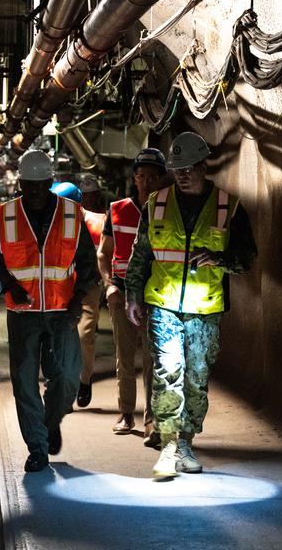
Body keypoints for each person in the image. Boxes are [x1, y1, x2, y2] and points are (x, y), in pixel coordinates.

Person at [125, 132, 257, 480]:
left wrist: (219, 259)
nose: (183, 174)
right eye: (177, 168)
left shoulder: (229, 206)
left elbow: (246, 259)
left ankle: (187, 440)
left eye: (189, 167)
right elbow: (140, 256)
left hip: (206, 307)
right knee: (168, 371)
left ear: (203, 166)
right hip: (163, 304)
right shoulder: (156, 204)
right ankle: (168, 443)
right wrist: (132, 295)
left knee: (196, 378)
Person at [0, 151, 98, 473]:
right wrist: (8, 283)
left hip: (61, 310)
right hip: (22, 313)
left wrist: (77, 298)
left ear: (50, 182)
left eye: (41, 184)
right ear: (20, 182)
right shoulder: (4, 214)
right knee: (24, 383)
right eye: (29, 185)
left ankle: (50, 423)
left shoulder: (71, 214)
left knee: (67, 377)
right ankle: (37, 447)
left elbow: (87, 263)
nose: (35, 191)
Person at [97, 148, 164, 446]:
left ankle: (152, 417)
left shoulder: (168, 209)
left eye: (151, 177)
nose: (146, 183)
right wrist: (109, 285)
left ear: (161, 179)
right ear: (134, 179)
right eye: (141, 177)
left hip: (157, 294)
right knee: (125, 357)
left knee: (153, 359)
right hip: (123, 292)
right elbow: (104, 254)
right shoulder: (118, 210)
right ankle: (126, 413)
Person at [51, 181, 107, 411]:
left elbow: (106, 253)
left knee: (85, 335)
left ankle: (85, 380)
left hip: (88, 286)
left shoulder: (97, 222)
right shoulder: (52, 223)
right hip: (60, 287)